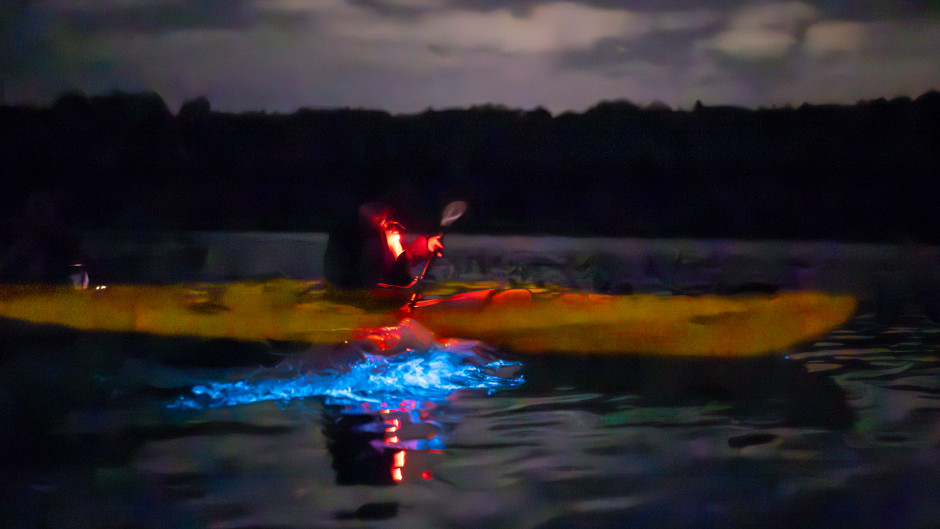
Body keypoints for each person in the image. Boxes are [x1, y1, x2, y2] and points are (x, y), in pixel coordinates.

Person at [323, 203, 444, 292]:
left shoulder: (384, 230)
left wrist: (426, 245)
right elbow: (363, 282)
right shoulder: (353, 237)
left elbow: (398, 257)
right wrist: (402, 288)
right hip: (358, 306)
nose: (387, 217)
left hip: (384, 301)